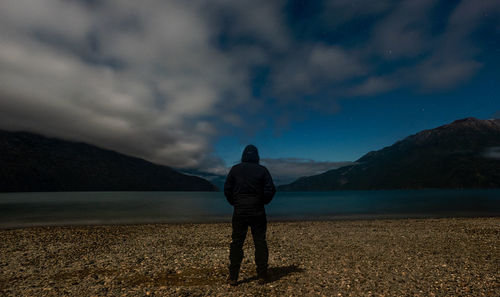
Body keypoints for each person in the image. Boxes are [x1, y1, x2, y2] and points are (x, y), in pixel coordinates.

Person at [224, 144, 276, 286]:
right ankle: (262, 275)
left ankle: (233, 276)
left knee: (237, 242)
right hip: (257, 210)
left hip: (240, 210)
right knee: (260, 242)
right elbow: (271, 190)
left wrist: (235, 203)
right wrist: (262, 201)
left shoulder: (235, 169)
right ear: (257, 156)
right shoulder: (262, 170)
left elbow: (227, 189)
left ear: (243, 155)